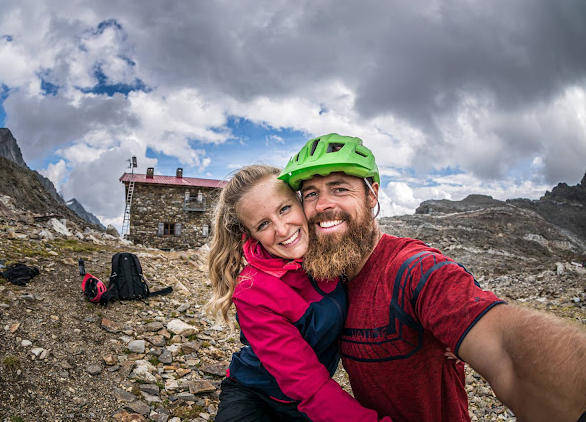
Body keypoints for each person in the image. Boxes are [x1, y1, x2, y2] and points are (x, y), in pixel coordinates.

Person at [280, 133, 586, 422]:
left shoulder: (413, 269)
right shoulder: (327, 275)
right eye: (311, 194)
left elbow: (506, 348)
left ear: (372, 194)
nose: (322, 205)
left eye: (340, 189)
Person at [206, 165, 389, 422]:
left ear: (300, 201)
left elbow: (385, 266)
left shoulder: (335, 251)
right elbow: (306, 381)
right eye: (263, 224)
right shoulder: (252, 290)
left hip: (312, 396)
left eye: (284, 209)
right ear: (250, 234)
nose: (282, 230)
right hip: (254, 391)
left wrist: (434, 322)